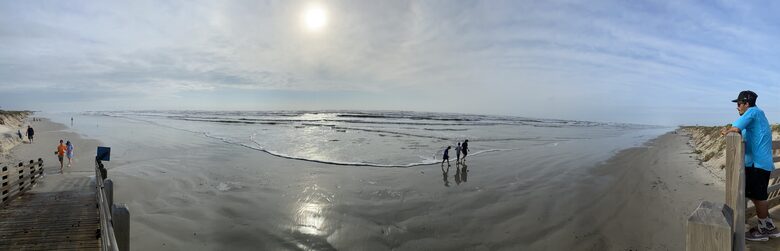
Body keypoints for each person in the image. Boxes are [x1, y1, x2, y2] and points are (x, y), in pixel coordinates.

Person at [720, 90, 778, 241]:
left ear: (747, 103)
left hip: (757, 164)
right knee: (756, 195)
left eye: (739, 104)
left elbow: (735, 128)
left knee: (759, 197)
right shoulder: (757, 116)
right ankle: (766, 225)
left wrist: (728, 131)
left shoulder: (752, 112)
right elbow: (741, 134)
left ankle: (767, 229)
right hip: (758, 164)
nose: (737, 107)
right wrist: (729, 132)